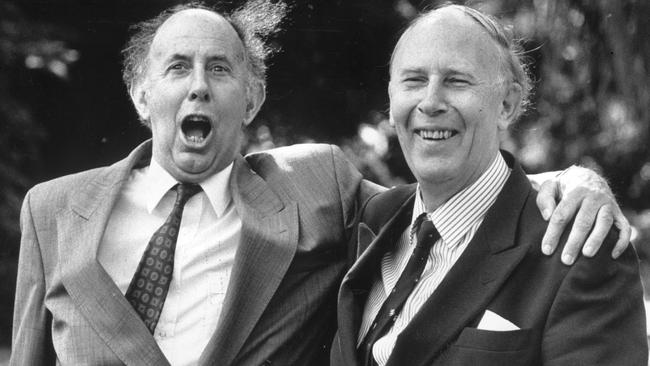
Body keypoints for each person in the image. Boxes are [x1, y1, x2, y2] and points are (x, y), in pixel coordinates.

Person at [10, 2, 634, 365]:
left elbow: (474, 198)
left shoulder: (317, 190)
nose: (198, 86)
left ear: (251, 99)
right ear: (143, 95)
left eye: (220, 69)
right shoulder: (54, 209)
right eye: (177, 68)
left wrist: (576, 180)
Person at [331, 4, 647, 366]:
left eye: (457, 80)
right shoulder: (370, 217)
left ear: (508, 105)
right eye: (414, 80)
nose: (430, 102)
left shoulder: (580, 244)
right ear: (391, 100)